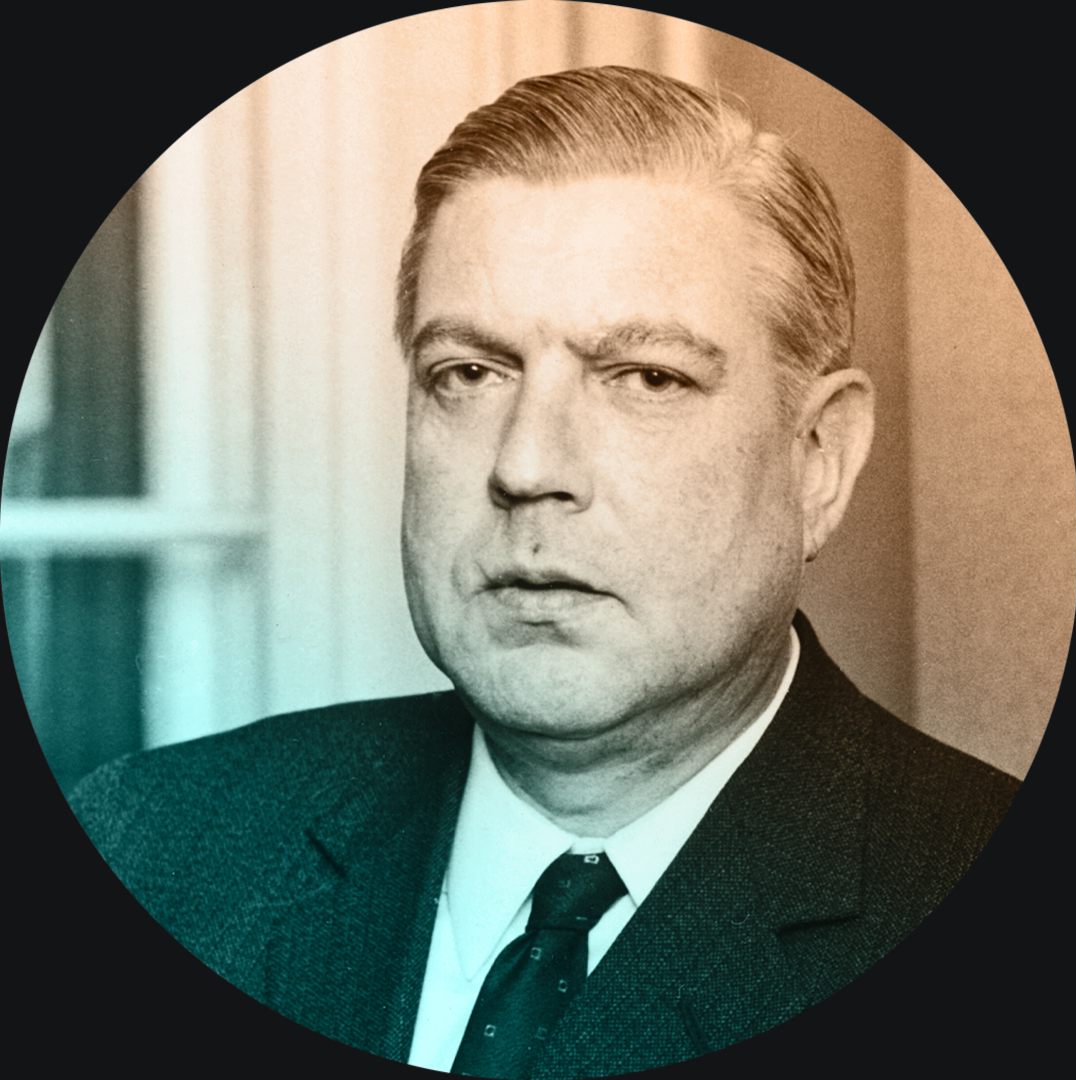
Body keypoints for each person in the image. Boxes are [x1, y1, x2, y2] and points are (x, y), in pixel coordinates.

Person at [69, 67, 1019, 1076]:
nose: (525, 466)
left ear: (819, 457)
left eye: (647, 377)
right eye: (469, 374)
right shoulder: (146, 848)